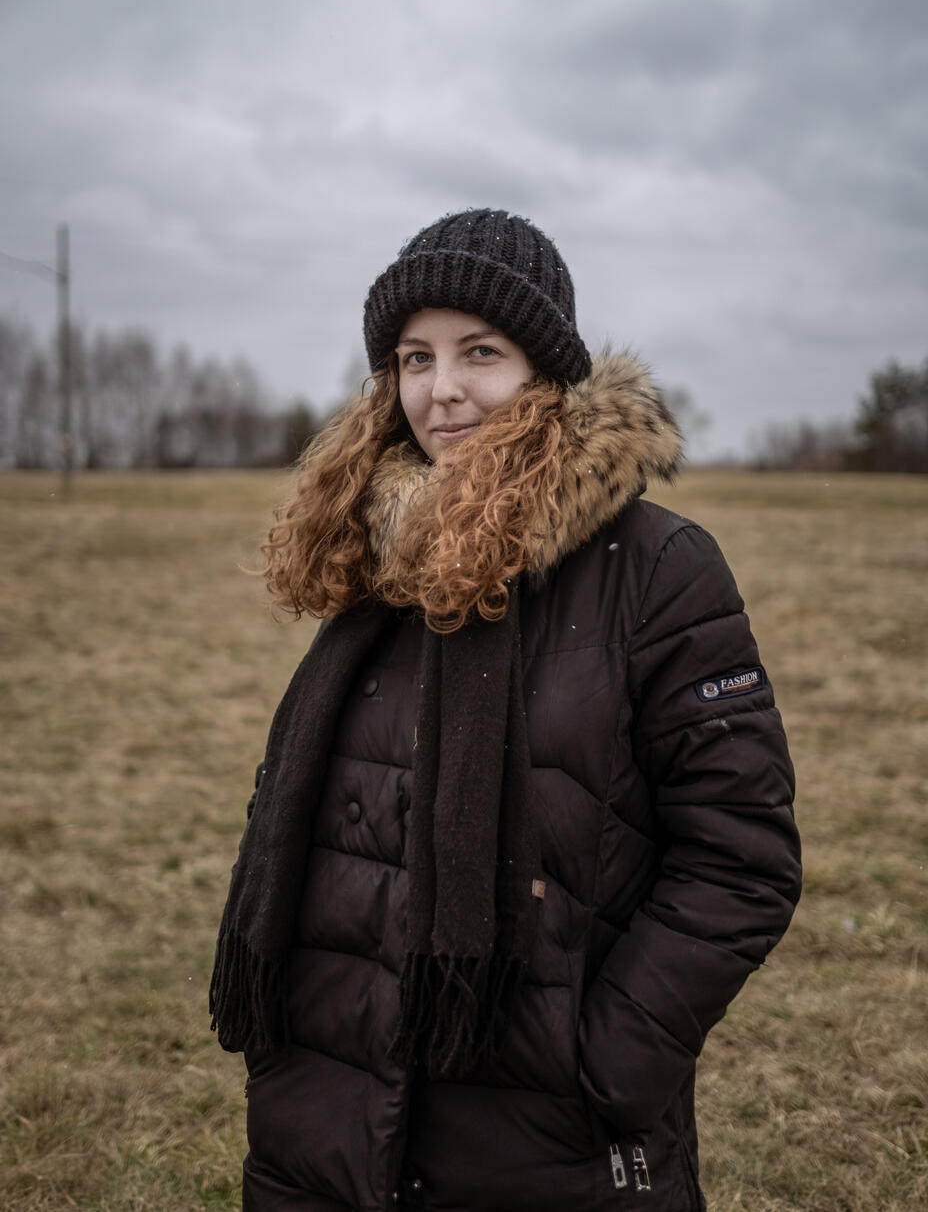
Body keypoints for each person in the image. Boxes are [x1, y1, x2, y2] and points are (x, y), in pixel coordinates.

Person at [210, 209, 801, 1212]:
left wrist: (605, 1062)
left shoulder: (657, 569)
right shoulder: (375, 562)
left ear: (545, 370)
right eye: (416, 357)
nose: (441, 389)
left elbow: (740, 859)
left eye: (479, 352)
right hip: (330, 1124)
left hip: (547, 1140)